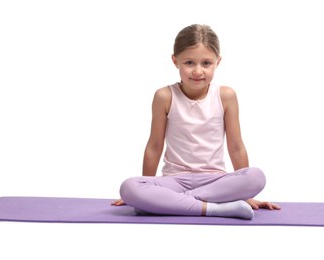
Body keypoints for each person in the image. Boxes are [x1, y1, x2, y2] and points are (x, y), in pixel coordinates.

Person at [111, 24, 280, 220]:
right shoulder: (165, 96)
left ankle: (168, 203)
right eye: (189, 62)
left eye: (206, 63)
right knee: (130, 187)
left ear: (218, 61)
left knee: (256, 176)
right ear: (175, 61)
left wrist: (246, 195)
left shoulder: (225, 95)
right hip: (175, 180)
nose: (198, 71)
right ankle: (216, 208)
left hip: (215, 182)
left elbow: (236, 147)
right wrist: (145, 185)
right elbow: (155, 146)